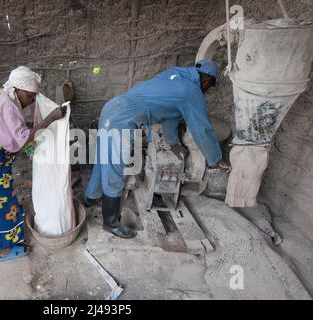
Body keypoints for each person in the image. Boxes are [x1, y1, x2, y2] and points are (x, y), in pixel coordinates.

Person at [84, 60, 226, 239]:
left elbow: (169, 114)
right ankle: (110, 222)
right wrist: (215, 159)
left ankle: (90, 198)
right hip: (122, 119)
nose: (207, 90)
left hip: (112, 107)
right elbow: (203, 130)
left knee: (103, 159)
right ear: (207, 80)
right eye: (210, 86)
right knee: (114, 171)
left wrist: (174, 143)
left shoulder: (175, 75)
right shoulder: (192, 92)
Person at [0, 66, 66, 261]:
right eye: (29, 96)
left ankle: (3, 241)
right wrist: (50, 118)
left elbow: (7, 128)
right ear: (17, 90)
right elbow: (23, 138)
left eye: (34, 97)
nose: (32, 101)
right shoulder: (9, 105)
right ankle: (4, 250)